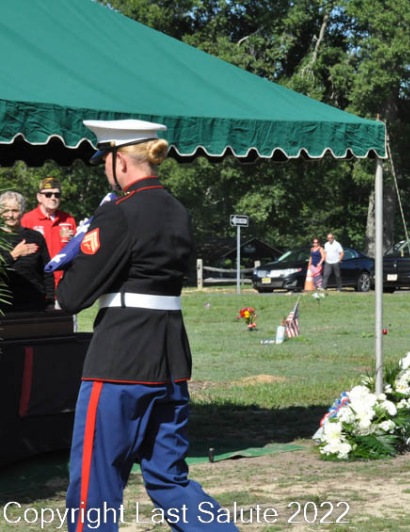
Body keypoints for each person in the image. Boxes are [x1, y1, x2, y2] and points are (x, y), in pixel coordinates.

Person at [58, 119, 237, 531]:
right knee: (169, 480)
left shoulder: (117, 214)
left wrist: (72, 255)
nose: (105, 171)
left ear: (120, 160)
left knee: (95, 481)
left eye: (105, 161)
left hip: (120, 360)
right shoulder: (177, 210)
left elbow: (71, 297)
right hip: (170, 360)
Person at [0, 191, 54, 313]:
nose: (10, 215)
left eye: (15, 210)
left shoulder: (35, 237)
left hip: (35, 302)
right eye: (6, 211)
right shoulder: (1, 238)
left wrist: (50, 300)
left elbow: (47, 271)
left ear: (22, 211)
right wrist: (14, 255)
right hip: (6, 305)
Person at [21, 176, 77, 288]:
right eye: (48, 194)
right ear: (39, 197)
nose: (53, 198)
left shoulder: (68, 219)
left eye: (57, 195)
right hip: (38, 282)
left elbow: (75, 250)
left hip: (63, 282)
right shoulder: (27, 219)